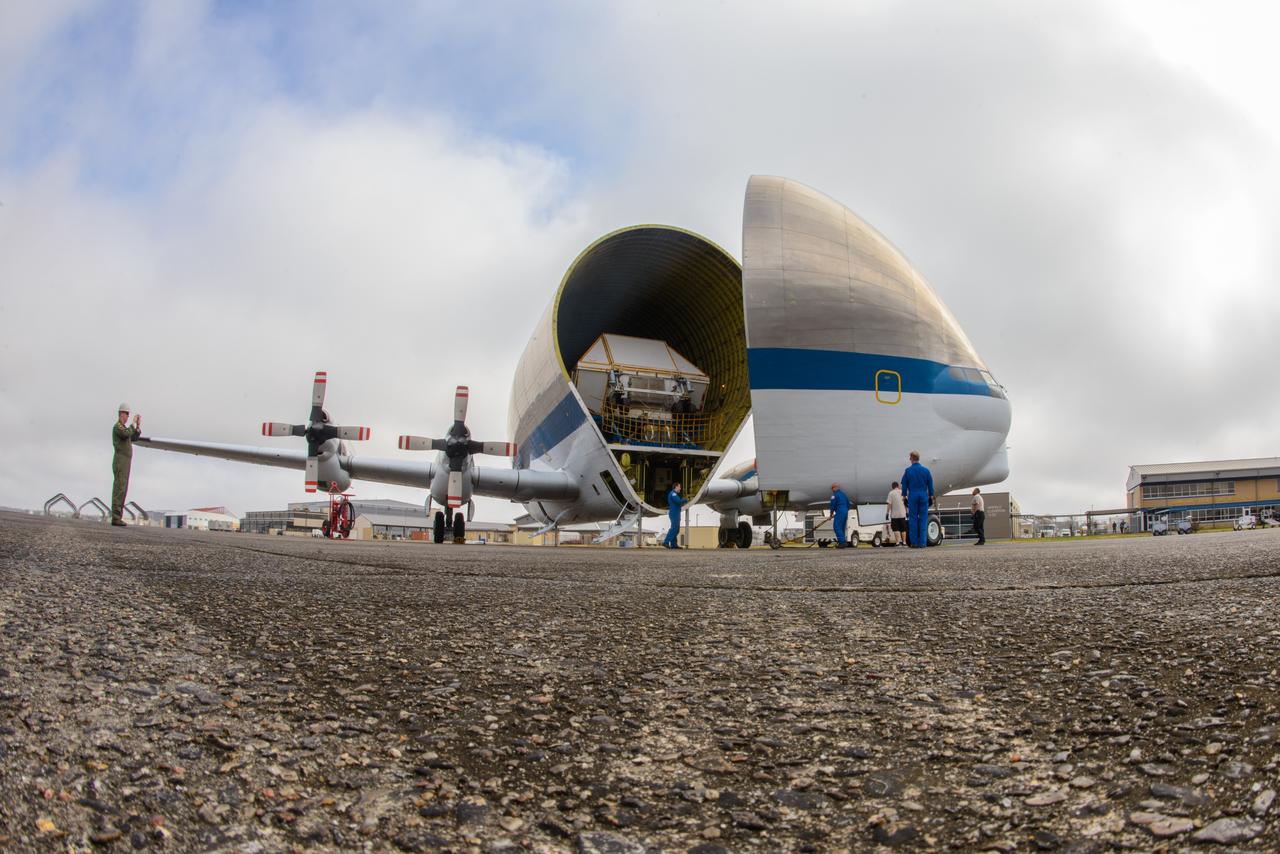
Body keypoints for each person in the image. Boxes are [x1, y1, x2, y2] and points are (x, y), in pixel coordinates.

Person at [111, 403, 141, 527]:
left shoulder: (124, 428)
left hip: (125, 462)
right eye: (126, 414)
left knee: (123, 489)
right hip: (120, 461)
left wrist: (137, 427)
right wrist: (133, 424)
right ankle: (116, 517)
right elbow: (126, 434)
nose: (127, 417)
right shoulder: (118, 427)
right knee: (119, 488)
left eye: (129, 415)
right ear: (121, 413)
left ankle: (118, 516)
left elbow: (133, 437)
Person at [900, 451, 934, 549]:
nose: (909, 459)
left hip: (913, 496)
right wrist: (931, 496)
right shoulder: (926, 471)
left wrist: (904, 497)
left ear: (912, 458)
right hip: (923, 495)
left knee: (913, 519)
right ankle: (922, 543)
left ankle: (914, 542)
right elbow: (930, 485)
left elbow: (904, 485)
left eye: (910, 458)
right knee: (923, 519)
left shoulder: (908, 471)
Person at [663, 483, 688, 549]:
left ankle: (674, 545)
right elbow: (678, 501)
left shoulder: (674, 494)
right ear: (676, 487)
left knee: (676, 529)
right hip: (674, 513)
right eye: (679, 487)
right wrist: (685, 499)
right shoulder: (673, 494)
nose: (680, 488)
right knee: (674, 528)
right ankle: (666, 542)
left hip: (676, 513)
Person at [829, 483, 851, 548]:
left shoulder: (834, 495)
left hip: (840, 511)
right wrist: (845, 510)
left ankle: (842, 542)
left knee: (837, 526)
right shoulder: (843, 494)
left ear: (835, 488)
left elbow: (832, 505)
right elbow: (848, 503)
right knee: (842, 527)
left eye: (832, 488)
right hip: (845, 511)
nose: (832, 490)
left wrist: (831, 514)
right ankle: (842, 542)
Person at [887, 481, 907, 546]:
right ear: (898, 486)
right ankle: (904, 542)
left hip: (894, 515)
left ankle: (898, 542)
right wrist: (906, 512)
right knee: (903, 529)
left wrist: (887, 513)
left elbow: (889, 504)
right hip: (902, 514)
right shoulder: (902, 492)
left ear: (892, 487)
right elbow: (906, 503)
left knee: (896, 529)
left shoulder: (891, 493)